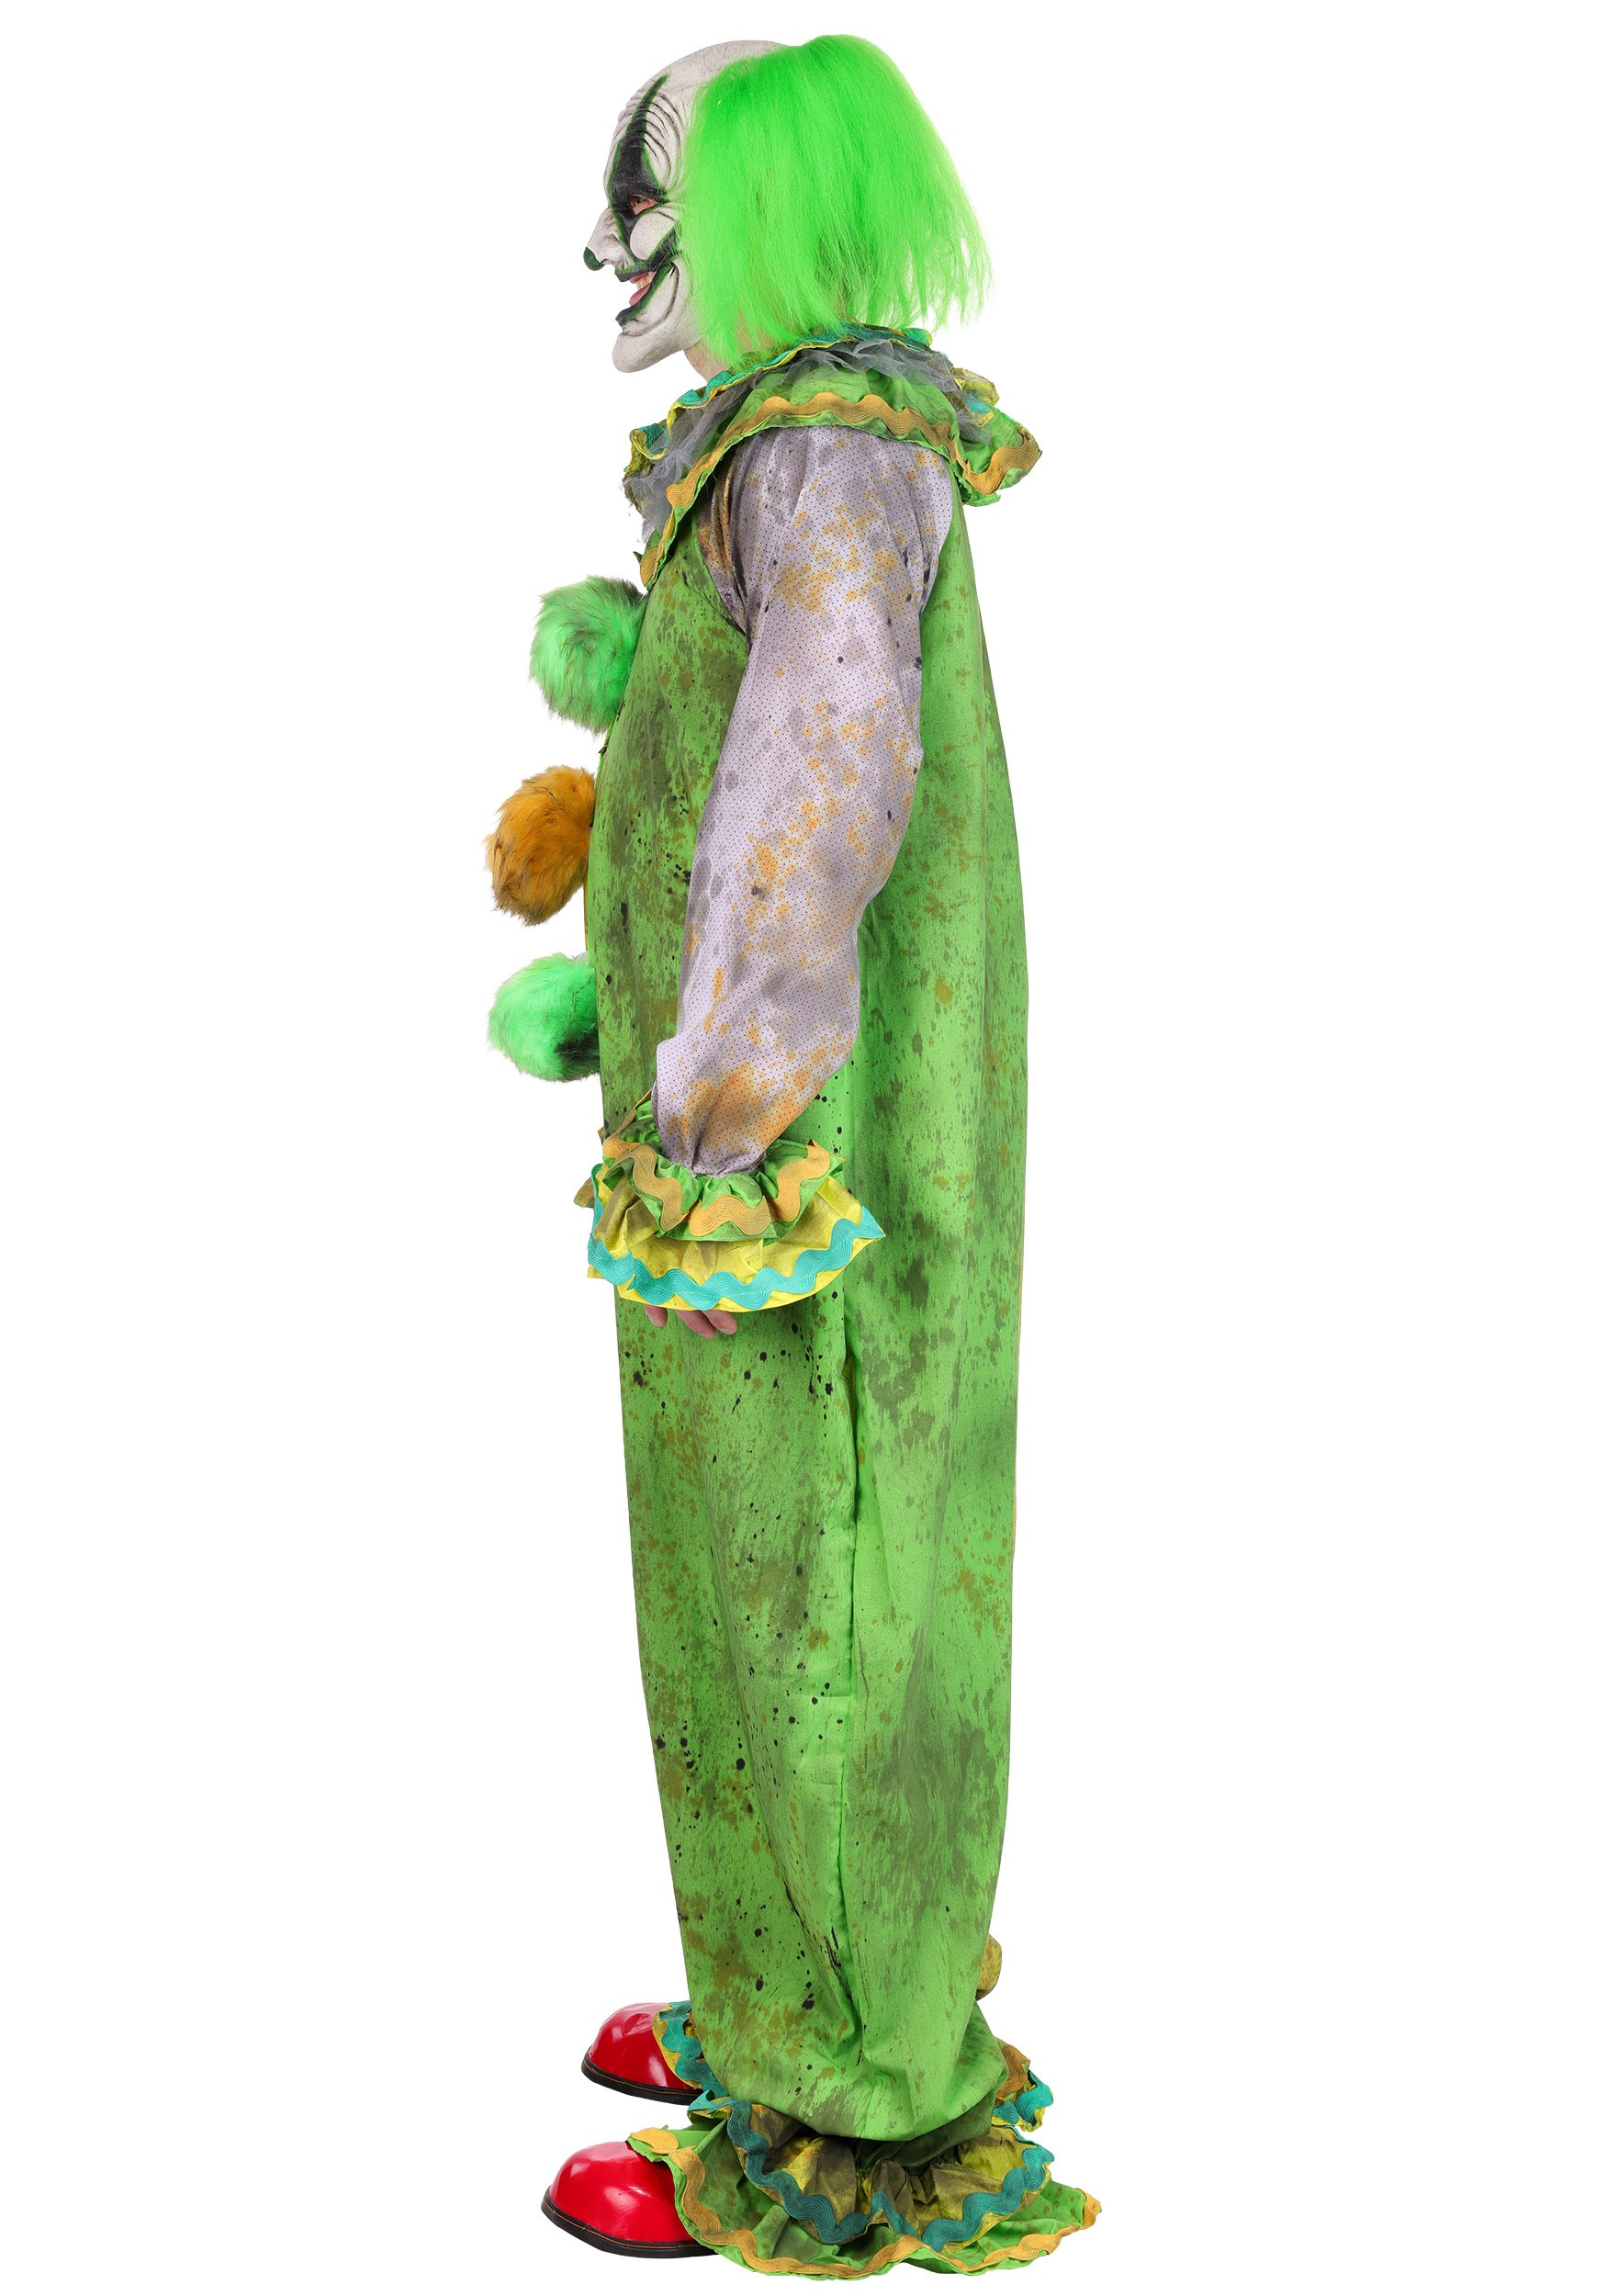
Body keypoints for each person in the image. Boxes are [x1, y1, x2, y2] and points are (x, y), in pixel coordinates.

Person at [485, 35, 1098, 2274]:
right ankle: (778, 1992)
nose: (623, 251)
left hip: (791, 1163)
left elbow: (824, 767)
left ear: (741, 208)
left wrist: (720, 1093)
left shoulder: (828, 449)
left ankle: (848, 2085)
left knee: (818, 1572)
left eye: (653, 202)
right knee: (751, 1566)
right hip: (763, 1141)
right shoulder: (806, 436)